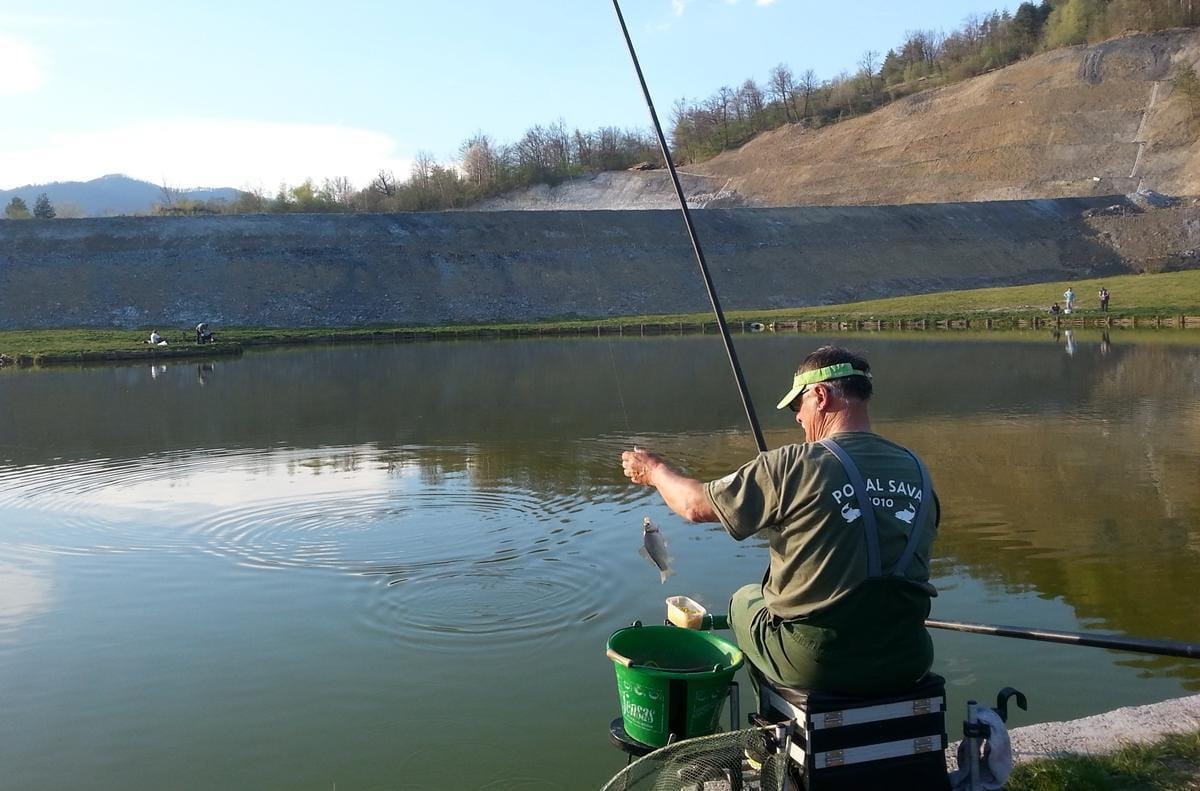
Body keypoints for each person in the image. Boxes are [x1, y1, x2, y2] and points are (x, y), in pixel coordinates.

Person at [621, 346, 939, 696]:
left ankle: (771, 735)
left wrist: (654, 471)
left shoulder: (793, 464)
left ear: (820, 395)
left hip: (818, 661)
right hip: (908, 655)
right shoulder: (917, 470)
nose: (797, 418)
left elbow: (693, 505)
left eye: (796, 406)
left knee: (745, 600)